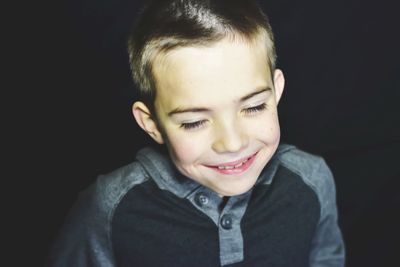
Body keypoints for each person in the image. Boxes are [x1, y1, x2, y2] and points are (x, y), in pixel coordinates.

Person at [47, 0, 345, 266]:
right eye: (194, 122)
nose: (232, 143)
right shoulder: (108, 207)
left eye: (254, 107)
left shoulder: (312, 180)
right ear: (151, 123)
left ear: (276, 91)